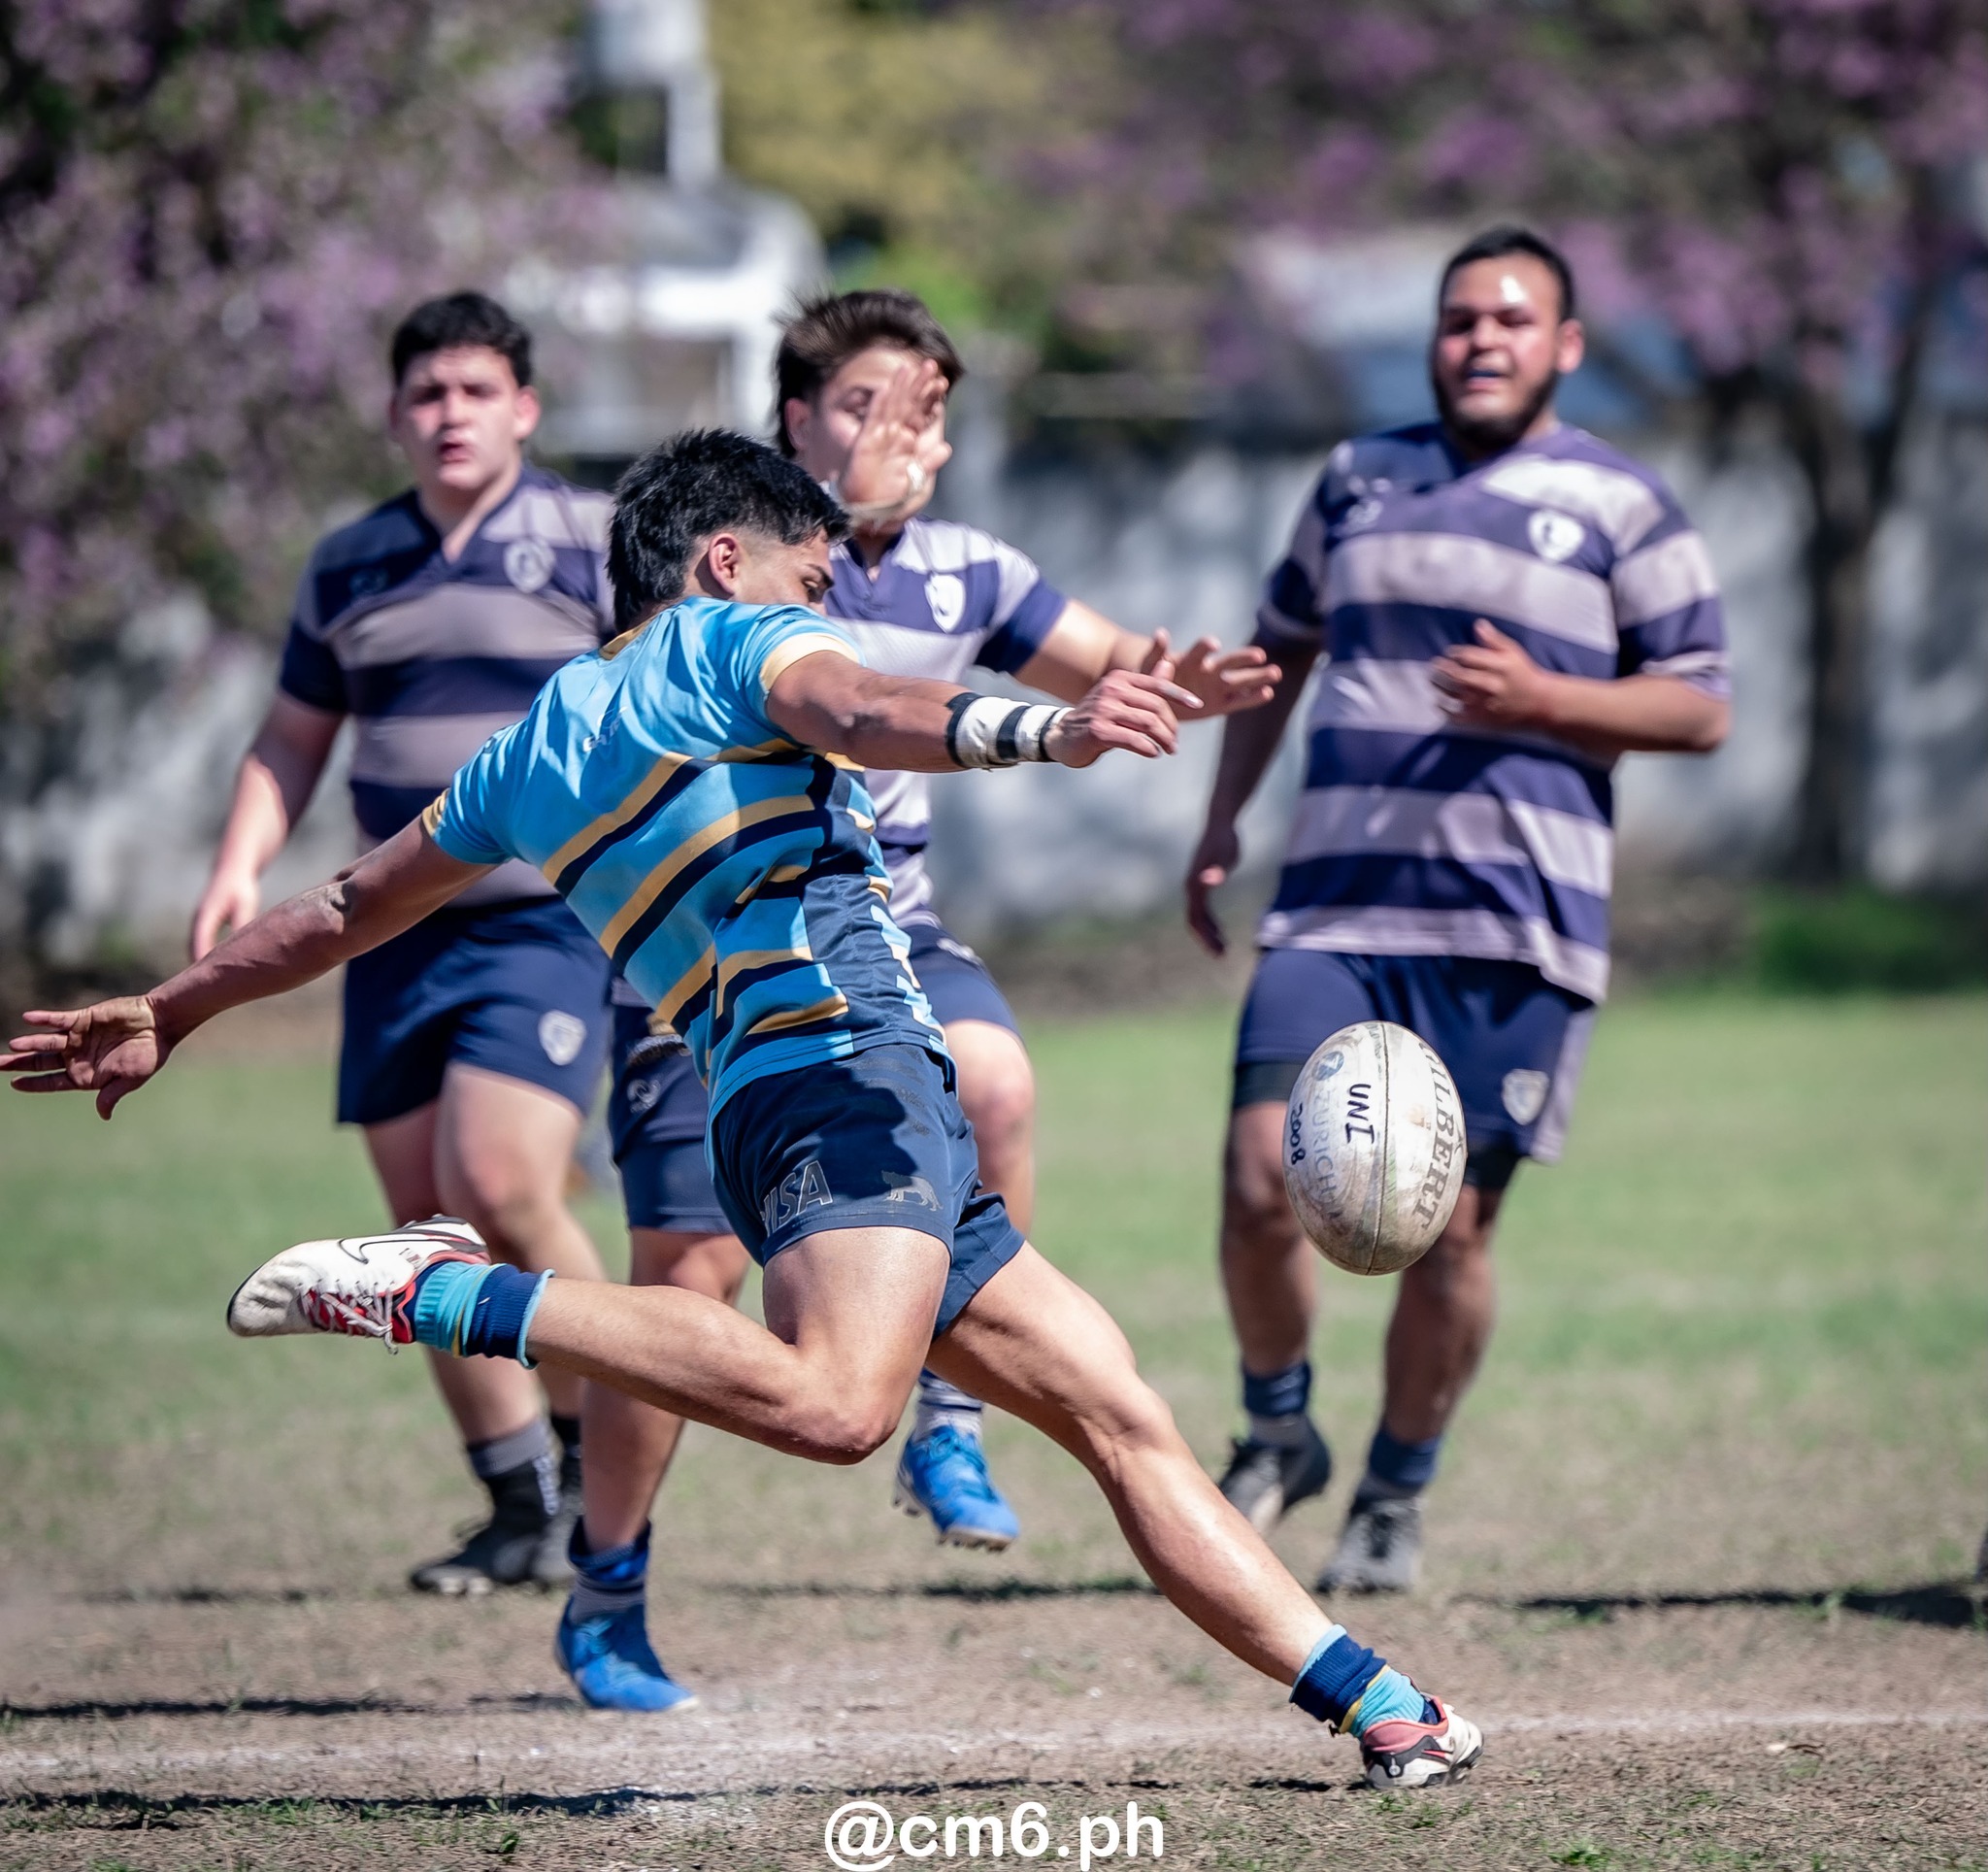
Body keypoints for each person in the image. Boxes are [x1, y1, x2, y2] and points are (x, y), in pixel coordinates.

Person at [8, 429, 1484, 1792]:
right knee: (841, 1408)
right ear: (725, 560)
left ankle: (1385, 1708)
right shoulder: (736, 637)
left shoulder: (533, 747)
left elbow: (343, 905)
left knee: (1120, 1416)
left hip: (807, 1101)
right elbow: (869, 705)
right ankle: (445, 1293)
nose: (825, 603)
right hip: (845, 1074)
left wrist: (174, 1007)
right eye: (813, 575)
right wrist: (1048, 730)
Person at [577, 288, 1276, 1707]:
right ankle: (608, 1576)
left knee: (998, 1078)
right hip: (715, 968)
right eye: (866, 407)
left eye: (929, 414)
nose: (905, 437)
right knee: (691, 1275)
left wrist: (1173, 683)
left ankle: (950, 1411)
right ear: (793, 422)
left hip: (887, 931)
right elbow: (846, 704)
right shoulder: (730, 579)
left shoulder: (968, 571)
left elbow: (1111, 666)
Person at [1186, 225, 1732, 1592]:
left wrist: (1547, 700)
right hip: (1335, 909)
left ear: (1567, 345)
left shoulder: (1621, 504)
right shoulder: (1355, 480)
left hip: (1513, 928)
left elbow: (1701, 704)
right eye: (1460, 319)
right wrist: (1221, 817)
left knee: (1451, 1234)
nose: (1482, 340)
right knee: (1259, 1181)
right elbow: (1276, 653)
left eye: (1511, 318)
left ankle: (1395, 1488)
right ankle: (1278, 1426)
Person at [188, 292, 616, 1594]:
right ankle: (516, 1506)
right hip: (386, 935)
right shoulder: (351, 563)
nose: (450, 415)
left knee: (500, 1182)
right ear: (393, 413)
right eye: (428, 393)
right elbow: (291, 737)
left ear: (524, 410)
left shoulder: (595, 541)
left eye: (477, 391)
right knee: (424, 1233)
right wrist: (239, 863)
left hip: (545, 922)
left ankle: (605, 1468)